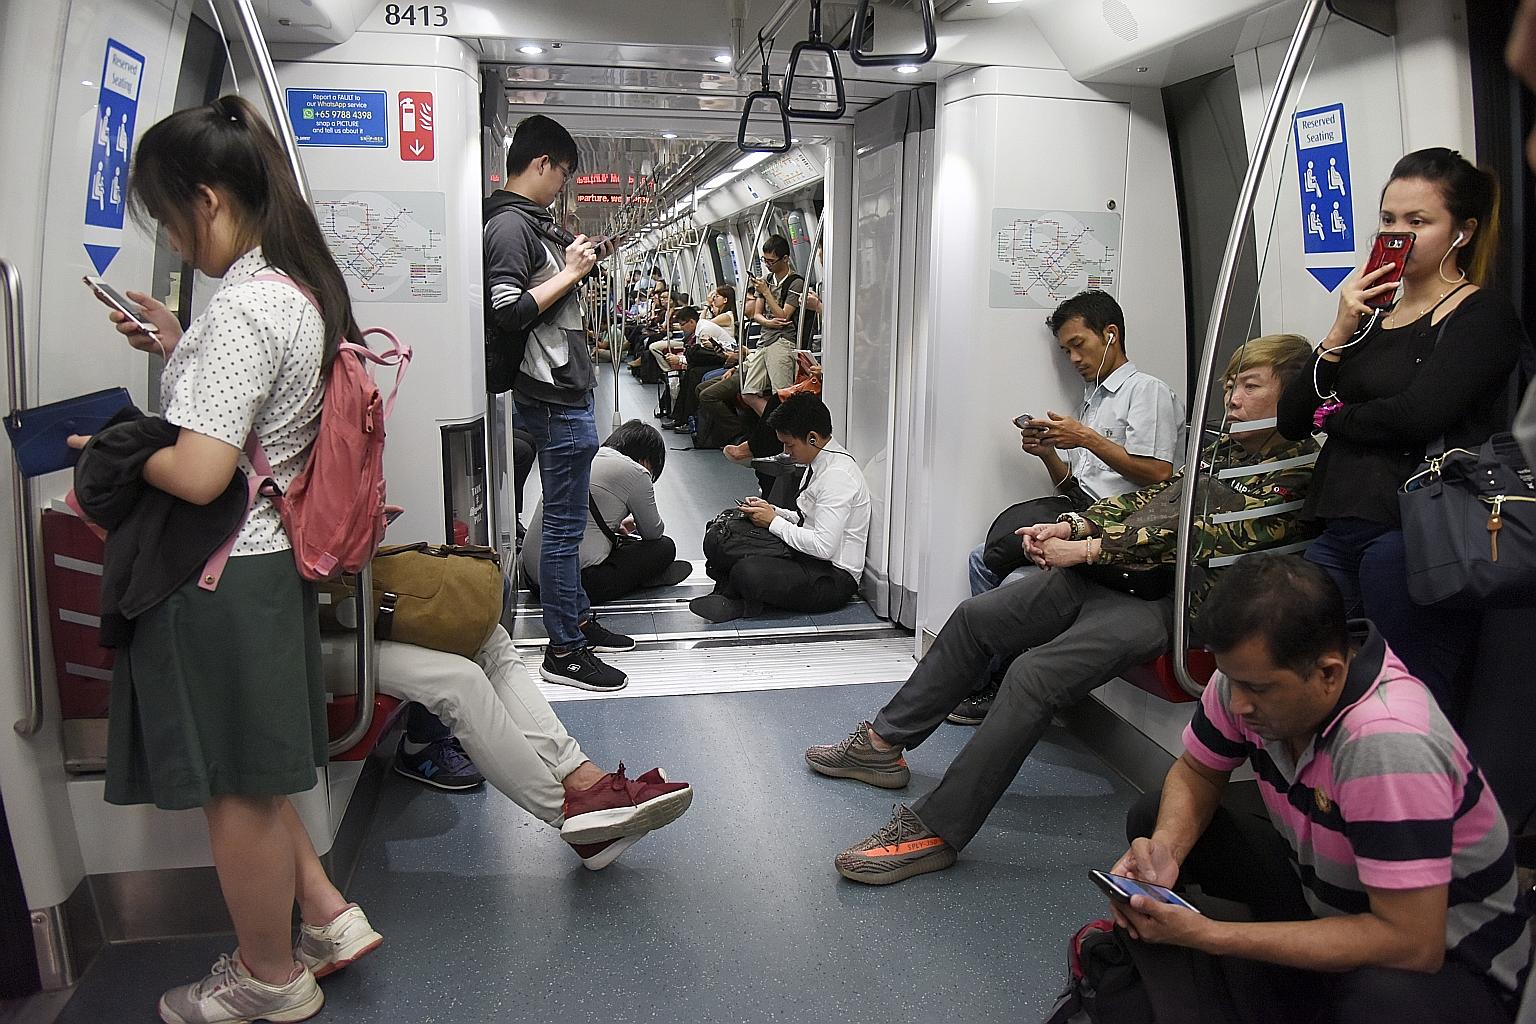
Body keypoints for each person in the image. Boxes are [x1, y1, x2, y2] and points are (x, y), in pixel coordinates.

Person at [805, 335, 1318, 886]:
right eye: (1231, 385)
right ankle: (883, 745)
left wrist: (1093, 548)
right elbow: (1156, 501)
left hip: (1182, 602)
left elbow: (1197, 533)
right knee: (979, 618)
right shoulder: (1225, 451)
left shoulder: (1300, 469)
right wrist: (1074, 525)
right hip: (1127, 574)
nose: (1232, 399)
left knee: (1033, 674)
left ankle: (936, 829)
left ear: (1291, 394)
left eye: (1250, 386)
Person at [81, 94, 380, 1023]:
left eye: (171, 219)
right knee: (256, 771)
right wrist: (179, 347)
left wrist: (108, 447)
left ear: (206, 199)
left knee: (234, 794)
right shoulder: (292, 290)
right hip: (261, 567)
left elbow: (206, 471)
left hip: (217, 573)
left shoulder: (245, 307)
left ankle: (268, 977)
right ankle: (324, 917)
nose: (174, 241)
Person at [1110, 554, 1530, 1023]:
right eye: (1232, 680)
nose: (1239, 702)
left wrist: (1210, 934)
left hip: (1449, 966)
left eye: (1259, 689)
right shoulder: (1247, 683)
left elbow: (1412, 944)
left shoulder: (1388, 743)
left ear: (1329, 672)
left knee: (1381, 1000)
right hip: (1333, 900)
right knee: (1152, 819)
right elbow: (1198, 770)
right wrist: (1166, 848)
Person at [1277, 148, 1525, 714]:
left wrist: (1335, 416)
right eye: (1389, 220)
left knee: (1405, 699)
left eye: (1419, 222)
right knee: (1321, 690)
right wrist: (1340, 328)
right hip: (1338, 524)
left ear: (1461, 232)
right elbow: (1294, 419)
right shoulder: (1371, 315)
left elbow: (1417, 414)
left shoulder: (1480, 314)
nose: (1399, 234)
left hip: (1413, 534)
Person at [955, 289, 1183, 726]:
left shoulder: (1146, 392)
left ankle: (1000, 686)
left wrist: (1084, 438)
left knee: (1007, 579)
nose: (1073, 358)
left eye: (1078, 345)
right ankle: (986, 679)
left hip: (1119, 526)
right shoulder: (1093, 399)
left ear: (1110, 335)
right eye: (1066, 350)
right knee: (981, 559)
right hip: (1079, 510)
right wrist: (1046, 452)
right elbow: (1073, 484)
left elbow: (1157, 475)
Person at [483, 113, 631, 693]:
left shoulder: (529, 225)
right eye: (562, 174)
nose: (563, 186)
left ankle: (578, 622)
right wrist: (569, 274)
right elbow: (507, 309)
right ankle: (564, 649)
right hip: (550, 399)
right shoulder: (510, 228)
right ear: (541, 163)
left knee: (568, 528)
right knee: (566, 531)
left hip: (559, 393)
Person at [377, 625, 693, 870]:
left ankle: (583, 779)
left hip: (358, 613)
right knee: (460, 681)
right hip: (334, 636)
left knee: (488, 637)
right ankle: (573, 815)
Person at [690, 394, 871, 622]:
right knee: (725, 537)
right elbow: (807, 519)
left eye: (789, 444)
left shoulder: (838, 477)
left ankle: (739, 601)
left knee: (748, 570)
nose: (786, 451)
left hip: (833, 578)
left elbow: (824, 547)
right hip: (811, 559)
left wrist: (773, 522)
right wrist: (773, 511)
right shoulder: (819, 462)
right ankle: (733, 593)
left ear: (812, 438)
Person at [522, 420, 691, 609]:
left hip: (531, 579)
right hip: (572, 588)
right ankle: (647, 577)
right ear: (647, 459)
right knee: (664, 547)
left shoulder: (585, 457)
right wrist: (636, 519)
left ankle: (644, 576)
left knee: (619, 542)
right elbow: (653, 533)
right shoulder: (637, 472)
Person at [739, 234, 805, 397]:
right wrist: (768, 323)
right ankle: (771, 422)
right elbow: (757, 315)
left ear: (785, 259)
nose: (767, 265)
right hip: (765, 339)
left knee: (782, 394)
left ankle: (783, 422)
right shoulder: (766, 280)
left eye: (771, 261)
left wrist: (766, 292)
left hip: (783, 341)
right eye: (765, 260)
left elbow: (783, 315)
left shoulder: (795, 282)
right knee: (749, 392)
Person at [662, 306, 737, 432]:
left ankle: (688, 419)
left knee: (694, 374)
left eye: (683, 324)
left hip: (726, 361)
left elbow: (703, 356)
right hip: (717, 359)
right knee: (691, 372)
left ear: (691, 322)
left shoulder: (704, 330)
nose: (681, 328)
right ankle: (680, 418)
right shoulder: (698, 329)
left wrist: (679, 360)